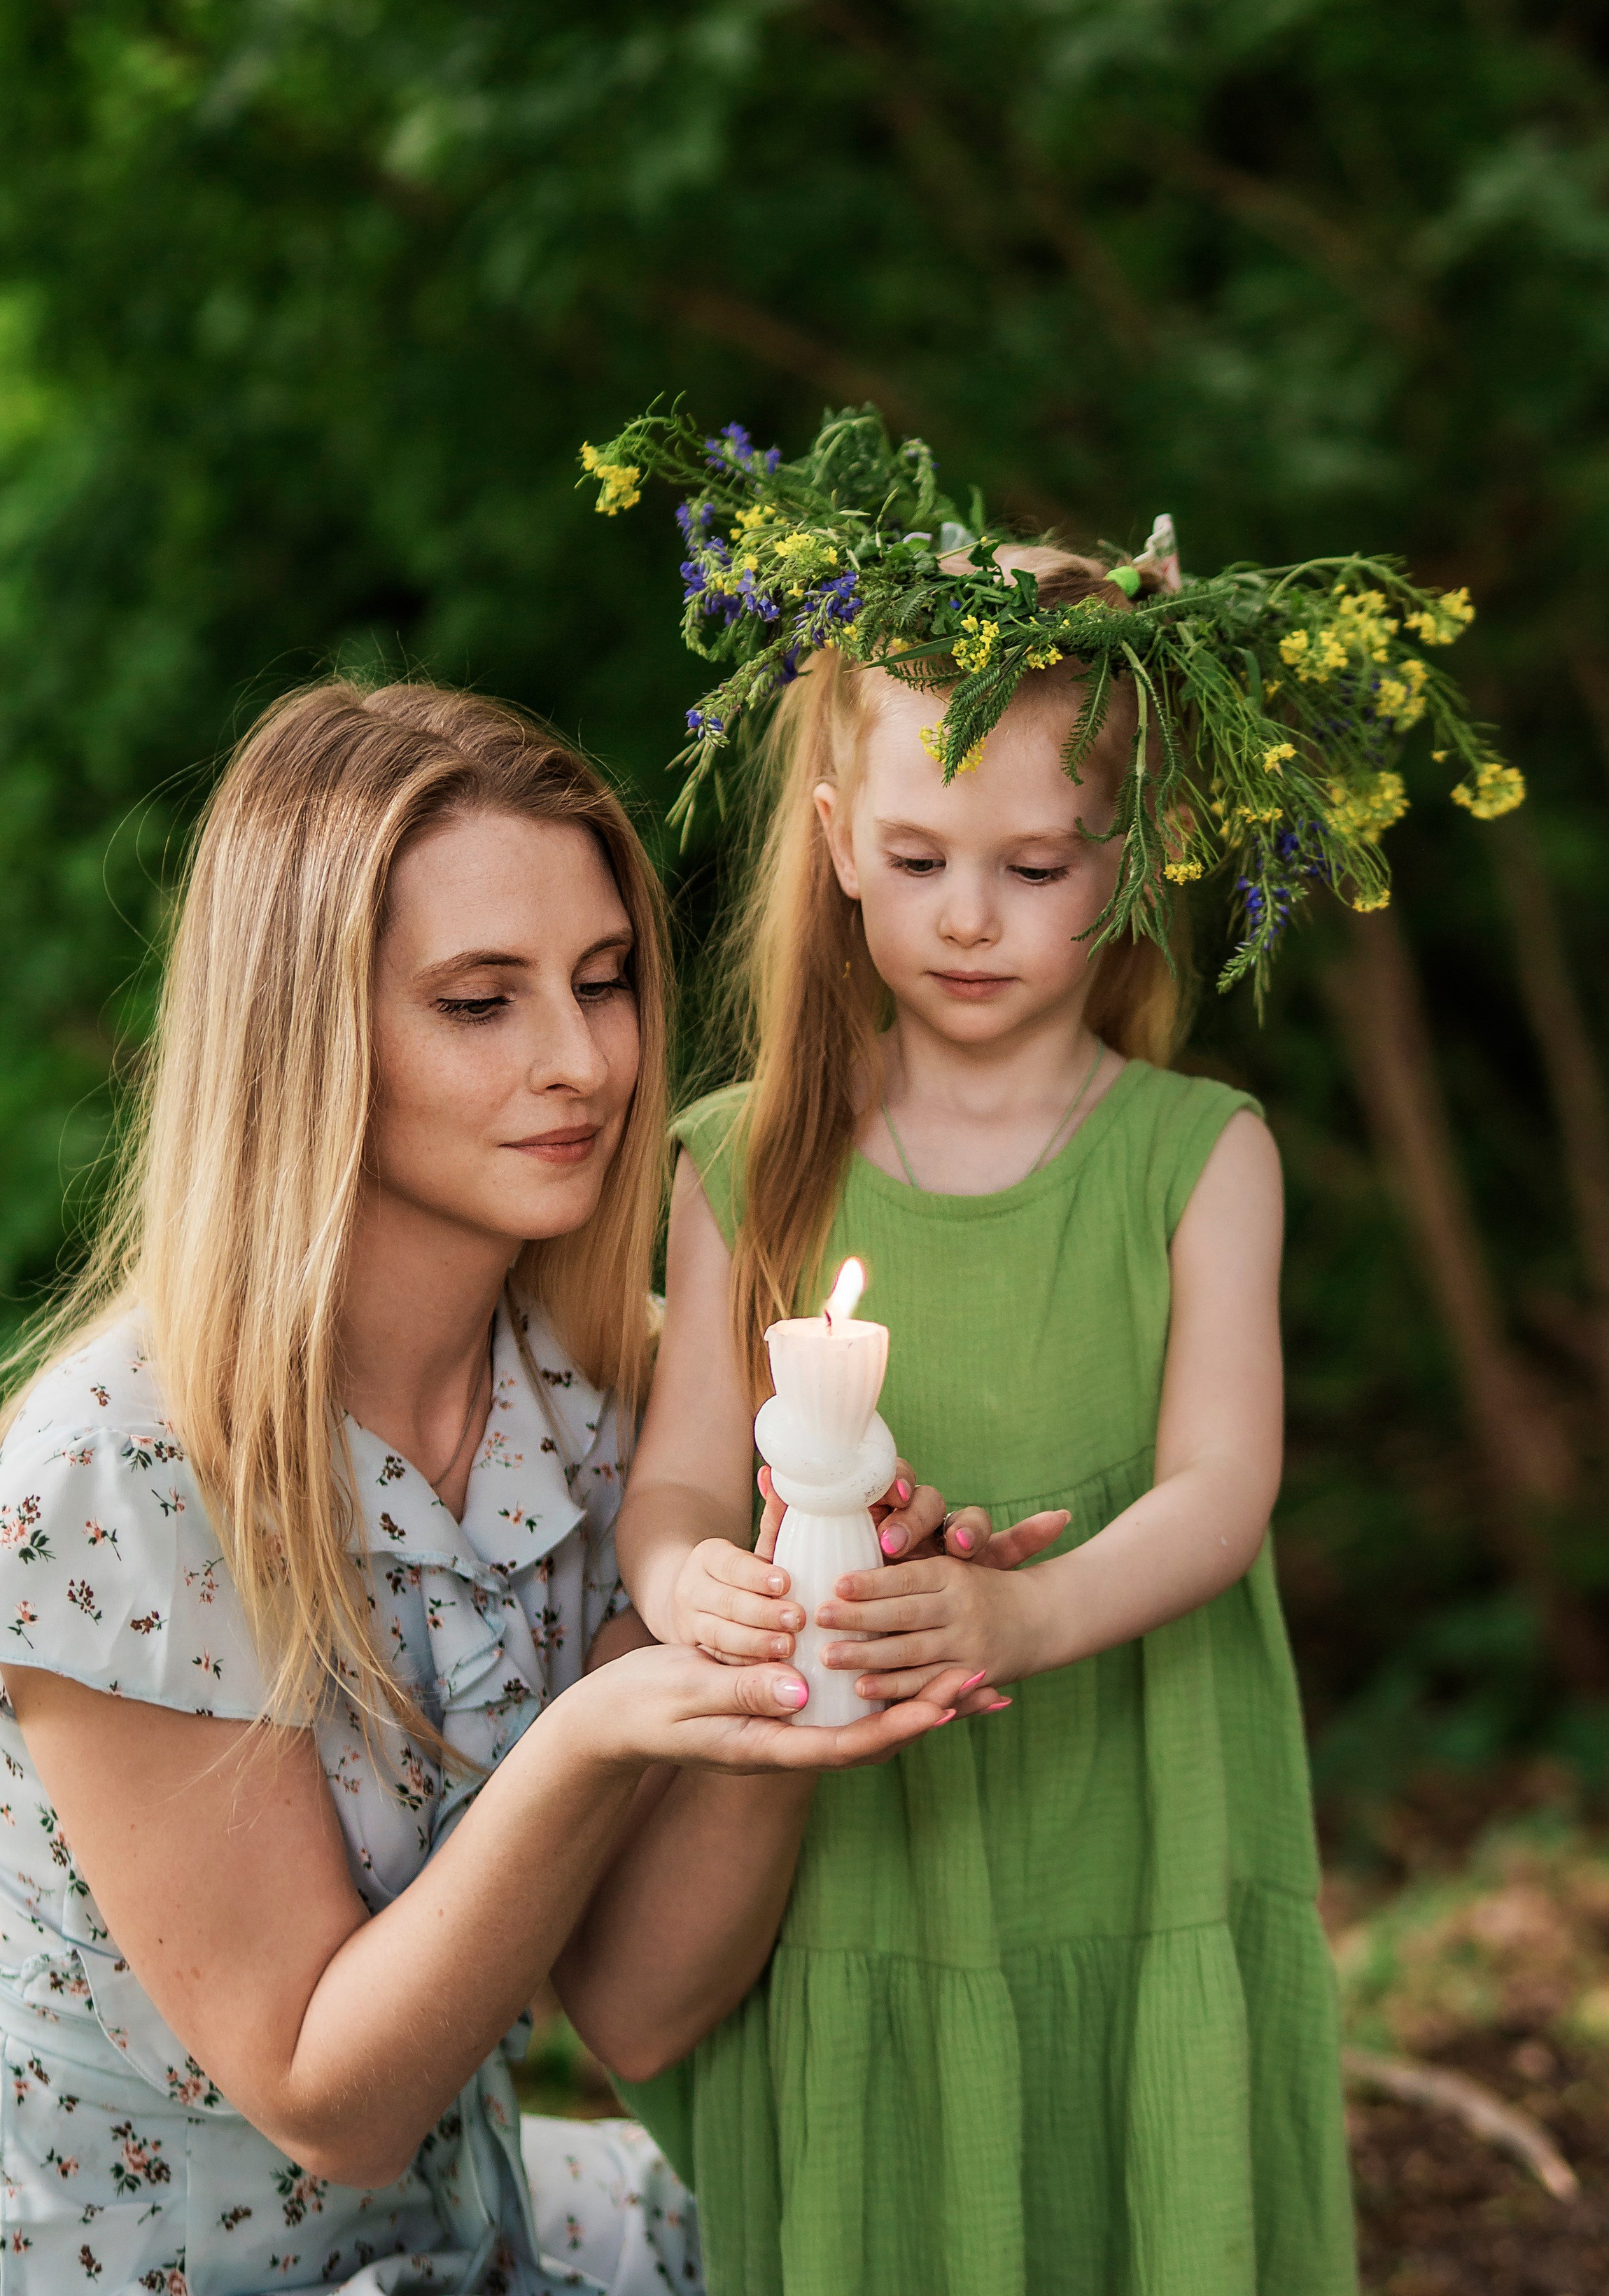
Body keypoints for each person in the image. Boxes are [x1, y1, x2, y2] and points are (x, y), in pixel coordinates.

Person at [589, 405, 1513, 2296]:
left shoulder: (1199, 1155)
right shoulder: (741, 1161)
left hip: (1135, 1834)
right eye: (920, 858)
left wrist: (1022, 1616)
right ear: (839, 846)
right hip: (865, 1856)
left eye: (1035, 863)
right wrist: (697, 1587)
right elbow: (679, 1479)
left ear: (1144, 848)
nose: (971, 918)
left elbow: (1222, 1490)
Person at [0, 680, 990, 2296]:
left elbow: (643, 2004)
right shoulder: (113, 1485)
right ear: (304, 1034)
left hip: (476, 2234)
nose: (582, 1060)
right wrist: (602, 1725)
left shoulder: (623, 1405)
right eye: (480, 1002)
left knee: (888, 2220)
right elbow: (336, 2101)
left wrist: (795, 1643)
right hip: (143, 2273)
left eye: (602, 983)